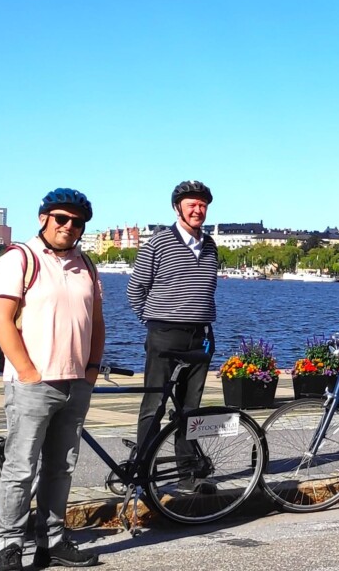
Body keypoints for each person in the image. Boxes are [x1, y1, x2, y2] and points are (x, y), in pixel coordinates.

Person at [0, 189, 104, 570]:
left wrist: (90, 369)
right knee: (21, 468)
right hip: (34, 384)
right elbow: (2, 319)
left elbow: (97, 322)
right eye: (61, 218)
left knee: (61, 468)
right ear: (43, 218)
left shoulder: (87, 265)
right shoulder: (19, 258)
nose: (69, 227)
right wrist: (27, 372)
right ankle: (9, 545)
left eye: (78, 222)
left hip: (76, 383)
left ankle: (51, 541)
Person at [127, 180, 220, 492]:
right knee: (154, 403)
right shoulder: (158, 243)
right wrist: (153, 322)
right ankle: (143, 470)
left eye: (202, 204)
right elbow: (135, 289)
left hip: (200, 335)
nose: (198, 209)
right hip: (165, 334)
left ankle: (188, 472)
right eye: (191, 204)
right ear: (177, 208)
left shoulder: (210, 246)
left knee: (189, 408)